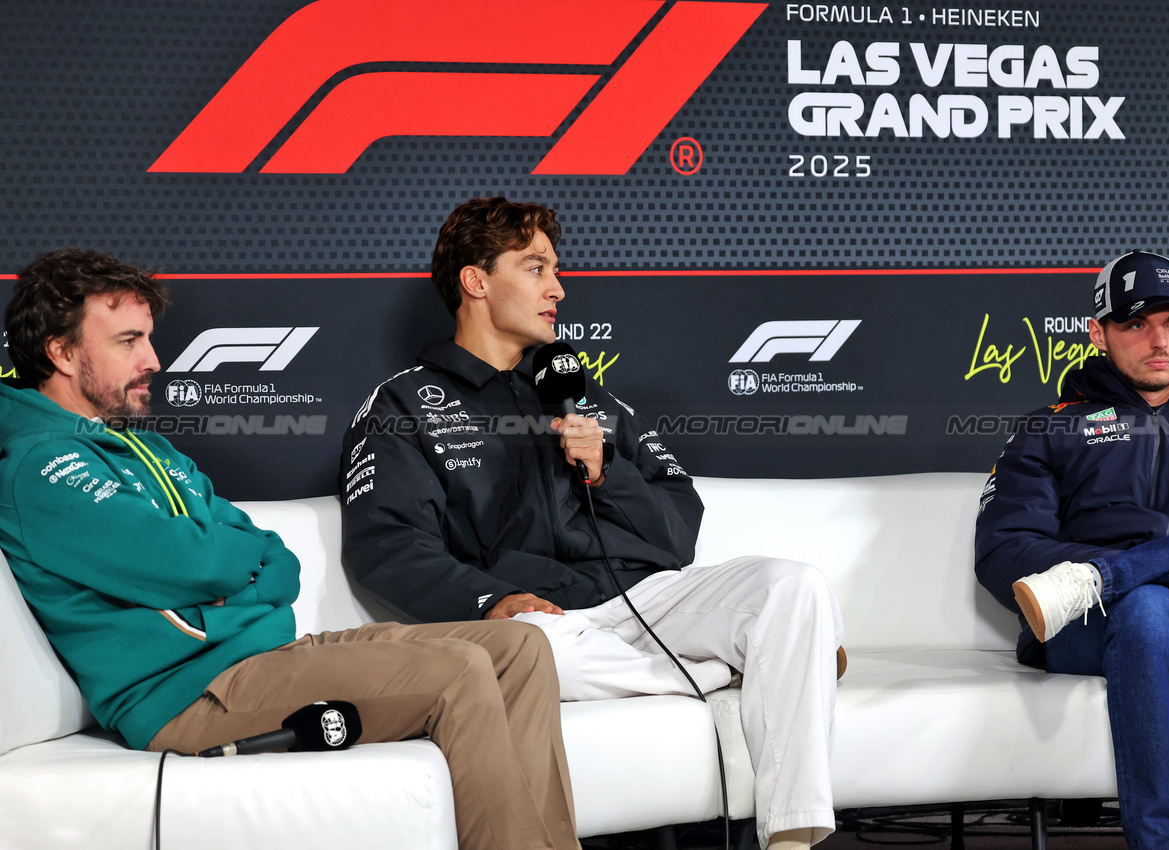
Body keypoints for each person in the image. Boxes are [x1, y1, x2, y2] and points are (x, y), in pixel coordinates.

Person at [0, 246, 581, 850]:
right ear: (61, 353)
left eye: (148, 338)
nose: (154, 360)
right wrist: (224, 568)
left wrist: (227, 577)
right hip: (190, 696)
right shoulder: (41, 467)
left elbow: (276, 560)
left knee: (519, 647)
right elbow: (190, 560)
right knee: (461, 671)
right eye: (128, 342)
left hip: (269, 657)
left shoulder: (149, 448)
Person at [340, 197, 845, 850]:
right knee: (528, 655)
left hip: (641, 602)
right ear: (475, 280)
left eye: (555, 270)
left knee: (793, 587)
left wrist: (607, 471)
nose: (558, 288)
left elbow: (677, 533)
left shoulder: (585, 396)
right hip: (540, 625)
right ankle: (749, 663)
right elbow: (389, 547)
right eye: (535, 268)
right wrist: (491, 600)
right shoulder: (404, 404)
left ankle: (794, 837)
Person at [975, 249, 1169, 850]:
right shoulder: (1049, 427)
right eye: (1135, 324)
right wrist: (1159, 584)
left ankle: (1112, 573)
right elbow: (1004, 550)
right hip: (1099, 624)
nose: (1157, 341)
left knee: (1155, 588)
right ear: (1098, 333)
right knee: (1148, 607)